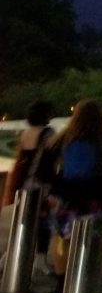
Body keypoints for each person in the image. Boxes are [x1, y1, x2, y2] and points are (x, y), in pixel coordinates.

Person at [48, 100, 102, 293]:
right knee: (89, 237)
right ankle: (84, 281)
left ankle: (61, 280)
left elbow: (52, 163)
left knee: (63, 238)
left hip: (66, 192)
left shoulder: (65, 137)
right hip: (92, 193)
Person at [2, 101, 57, 276]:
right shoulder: (49, 134)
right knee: (43, 222)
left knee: (22, 220)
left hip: (25, 183)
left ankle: (9, 255)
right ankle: (40, 259)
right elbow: (53, 160)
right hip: (42, 184)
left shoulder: (25, 133)